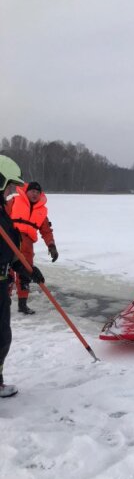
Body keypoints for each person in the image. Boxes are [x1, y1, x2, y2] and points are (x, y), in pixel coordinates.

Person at [0, 155, 44, 397]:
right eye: (8, 186)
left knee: (3, 336)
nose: (11, 191)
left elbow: (9, 248)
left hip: (5, 277)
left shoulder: (3, 210)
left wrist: (27, 268)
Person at [8, 180, 58, 314]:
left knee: (26, 275)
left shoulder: (41, 211)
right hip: (11, 240)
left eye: (37, 192)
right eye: (32, 191)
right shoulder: (14, 201)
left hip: (27, 245)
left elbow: (46, 231)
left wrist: (51, 245)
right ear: (27, 191)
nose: (34, 194)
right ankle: (4, 303)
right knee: (7, 274)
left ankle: (22, 305)